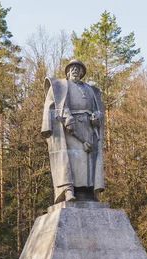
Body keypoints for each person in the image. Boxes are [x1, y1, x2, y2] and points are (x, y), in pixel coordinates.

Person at [41, 60, 105, 203]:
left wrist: (97, 116)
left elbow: (98, 109)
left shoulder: (91, 90)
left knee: (87, 160)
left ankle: (87, 192)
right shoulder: (60, 87)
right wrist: (66, 116)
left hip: (88, 127)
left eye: (78, 68)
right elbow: (54, 105)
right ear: (67, 72)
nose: (75, 70)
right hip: (68, 127)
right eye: (72, 68)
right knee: (70, 158)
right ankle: (69, 190)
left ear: (82, 73)